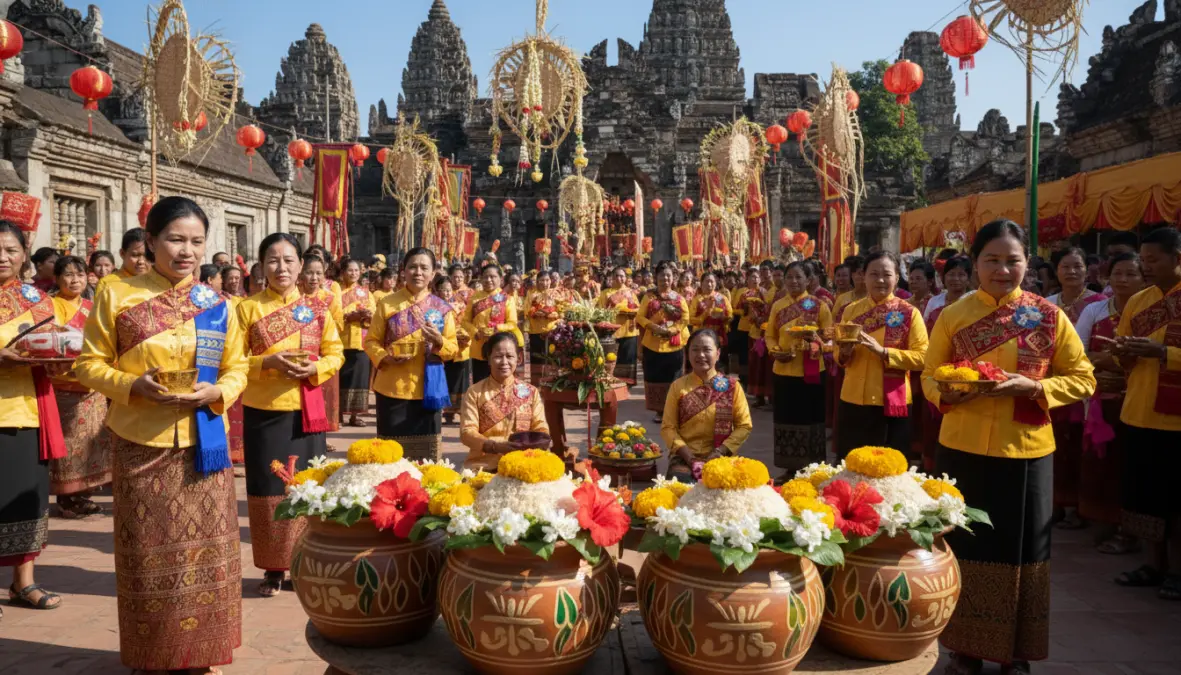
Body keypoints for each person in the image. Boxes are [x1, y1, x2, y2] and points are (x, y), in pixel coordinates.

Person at [75, 196, 248, 673]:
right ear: (150, 242)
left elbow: (238, 369)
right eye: (175, 239)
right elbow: (88, 364)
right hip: (140, 445)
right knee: (148, 558)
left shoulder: (218, 304)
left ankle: (202, 655)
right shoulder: (115, 294)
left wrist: (217, 390)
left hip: (204, 447)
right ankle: (152, 655)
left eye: (196, 241)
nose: (186, 250)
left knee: (206, 560)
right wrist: (131, 385)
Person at [922, 219, 1095, 673]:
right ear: (974, 264)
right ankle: (965, 647)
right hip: (962, 447)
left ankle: (1017, 652)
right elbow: (928, 372)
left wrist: (1034, 390)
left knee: (1025, 554)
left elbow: (1083, 378)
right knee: (966, 548)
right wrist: (944, 393)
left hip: (1027, 450)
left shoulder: (1048, 316)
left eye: (1012, 260)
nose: (1002, 270)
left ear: (1028, 264)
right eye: (991, 260)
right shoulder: (953, 316)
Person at [237, 233, 343, 597]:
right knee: (268, 490)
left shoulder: (318, 309)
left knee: (307, 488)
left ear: (301, 265)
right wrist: (265, 363)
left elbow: (336, 352)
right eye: (272, 260)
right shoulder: (247, 309)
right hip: (264, 411)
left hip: (306, 412)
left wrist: (314, 370)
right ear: (262, 265)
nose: (281, 268)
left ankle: (304, 561)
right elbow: (231, 361)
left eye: (288, 260)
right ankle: (272, 567)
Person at [1112, 226, 1181, 601]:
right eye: (1144, 260)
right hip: (1139, 412)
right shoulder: (1139, 302)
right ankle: (1152, 564)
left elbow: (1158, 353)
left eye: (1154, 260)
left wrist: (1164, 354)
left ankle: (1177, 571)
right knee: (1145, 498)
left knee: (1177, 503)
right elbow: (1123, 354)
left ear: (1177, 258)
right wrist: (1123, 351)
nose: (1147, 267)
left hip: (1176, 421)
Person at [0, 222, 65, 619]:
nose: (1, 257)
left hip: (24, 409)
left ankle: (23, 581)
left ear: (25, 253)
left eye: (9, 249)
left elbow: (54, 351)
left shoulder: (37, 301)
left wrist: (56, 360)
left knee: (26, 499)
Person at [1074, 251, 1143, 555]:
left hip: (1139, 396)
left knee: (1131, 465)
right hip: (1101, 397)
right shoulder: (1096, 311)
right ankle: (1105, 522)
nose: (1124, 280)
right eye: (1118, 274)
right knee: (1102, 462)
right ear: (1107, 278)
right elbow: (1077, 353)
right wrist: (1106, 368)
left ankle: (1132, 531)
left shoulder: (1149, 309)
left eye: (1131, 274)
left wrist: (1117, 367)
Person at [366, 247, 458, 461]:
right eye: (413, 267)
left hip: (429, 390)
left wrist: (439, 341)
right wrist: (385, 357)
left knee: (426, 458)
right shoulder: (387, 303)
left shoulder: (441, 307)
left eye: (424, 268)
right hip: (392, 388)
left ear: (433, 273)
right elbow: (371, 341)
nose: (418, 272)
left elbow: (452, 348)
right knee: (391, 457)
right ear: (403, 271)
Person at [835, 251, 929, 457]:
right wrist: (843, 353)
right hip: (853, 399)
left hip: (892, 404)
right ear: (863, 276)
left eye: (887, 274)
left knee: (888, 473)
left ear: (897, 277)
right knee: (851, 467)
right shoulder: (850, 311)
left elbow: (923, 358)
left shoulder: (909, 313)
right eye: (873, 274)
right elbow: (838, 354)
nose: (880, 280)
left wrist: (884, 352)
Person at [1043, 247, 1106, 530]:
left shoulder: (1098, 302)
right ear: (1056, 271)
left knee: (1081, 445)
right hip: (1051, 384)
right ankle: (1056, 503)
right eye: (1065, 266)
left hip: (1083, 385)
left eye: (1077, 266)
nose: (1071, 272)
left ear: (1087, 270)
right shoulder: (1047, 303)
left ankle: (1081, 506)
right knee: (1058, 444)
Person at [48, 255, 112, 519]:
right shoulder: (50, 305)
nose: (75, 280)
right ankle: (67, 497)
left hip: (91, 386)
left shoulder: (92, 305)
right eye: (68, 274)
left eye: (80, 274)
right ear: (57, 279)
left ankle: (83, 494)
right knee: (68, 445)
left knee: (92, 442)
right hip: (64, 386)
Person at [765, 260, 833, 477]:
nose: (793, 281)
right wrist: (775, 351)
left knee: (811, 418)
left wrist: (815, 339)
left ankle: (813, 467)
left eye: (798, 277)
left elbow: (829, 338)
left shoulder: (819, 305)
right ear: (784, 280)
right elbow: (770, 335)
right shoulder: (777, 305)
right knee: (786, 419)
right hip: (783, 371)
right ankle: (790, 466)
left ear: (808, 280)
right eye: (789, 277)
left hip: (811, 371)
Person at [660, 329, 753, 476]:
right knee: (681, 484)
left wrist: (720, 451)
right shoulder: (678, 386)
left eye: (707, 350)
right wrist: (690, 458)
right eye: (695, 350)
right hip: (685, 457)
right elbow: (668, 428)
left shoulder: (732, 387)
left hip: (722, 456)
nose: (700, 355)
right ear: (688, 353)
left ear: (717, 353)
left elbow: (744, 426)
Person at [459, 331, 549, 471]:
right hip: (484, 465)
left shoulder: (531, 392)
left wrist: (534, 444)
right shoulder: (474, 392)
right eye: (498, 356)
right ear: (488, 359)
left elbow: (541, 428)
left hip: (524, 464)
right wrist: (494, 446)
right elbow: (467, 432)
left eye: (510, 356)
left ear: (518, 359)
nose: (504, 362)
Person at [919, 255, 972, 471]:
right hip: (936, 365)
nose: (955, 279)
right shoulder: (935, 302)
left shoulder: (973, 301)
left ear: (969, 278)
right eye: (951, 274)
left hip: (964, 370)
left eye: (961, 274)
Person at [637, 261, 690, 423]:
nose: (665, 279)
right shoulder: (649, 296)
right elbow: (640, 316)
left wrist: (673, 330)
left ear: (673, 278)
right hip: (652, 343)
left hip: (674, 343)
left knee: (674, 377)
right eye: (662, 276)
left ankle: (674, 411)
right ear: (656, 278)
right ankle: (659, 411)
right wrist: (653, 326)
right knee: (654, 377)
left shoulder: (679, 298)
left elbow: (685, 318)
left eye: (668, 276)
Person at [299, 253, 344, 432]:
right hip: (300, 354)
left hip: (323, 353)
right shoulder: (295, 297)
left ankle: (324, 429)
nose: (314, 278)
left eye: (319, 273)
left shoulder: (329, 297)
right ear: (301, 273)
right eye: (310, 272)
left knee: (325, 396)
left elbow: (338, 323)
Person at [462, 264, 522, 384]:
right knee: (480, 382)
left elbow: (512, 323)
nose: (488, 280)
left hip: (500, 347)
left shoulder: (507, 299)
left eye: (493, 276)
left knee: (500, 381)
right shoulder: (474, 298)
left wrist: (496, 329)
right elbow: (465, 321)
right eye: (485, 277)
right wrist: (476, 332)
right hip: (478, 347)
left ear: (501, 279)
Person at [337, 256, 374, 426]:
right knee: (341, 379)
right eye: (350, 270)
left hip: (361, 341)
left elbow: (374, 315)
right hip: (341, 341)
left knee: (359, 379)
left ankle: (355, 414)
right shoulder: (336, 291)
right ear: (343, 272)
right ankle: (338, 415)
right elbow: (332, 314)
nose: (353, 273)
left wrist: (366, 315)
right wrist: (347, 316)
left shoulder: (366, 293)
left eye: (356, 270)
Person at [435, 276, 471, 424]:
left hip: (461, 347)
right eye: (443, 290)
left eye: (449, 290)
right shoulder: (435, 307)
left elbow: (466, 322)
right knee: (447, 378)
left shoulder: (460, 305)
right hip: (443, 346)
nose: (447, 293)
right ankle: (447, 412)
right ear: (438, 291)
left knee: (461, 380)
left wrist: (463, 334)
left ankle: (462, 411)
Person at [597, 266, 641, 384]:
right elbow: (601, 310)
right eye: (616, 275)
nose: (619, 278)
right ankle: (611, 380)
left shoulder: (630, 293)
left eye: (622, 276)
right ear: (612, 277)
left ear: (625, 278)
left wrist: (631, 312)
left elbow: (638, 309)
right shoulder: (605, 293)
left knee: (628, 357)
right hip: (611, 330)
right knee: (611, 357)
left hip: (628, 329)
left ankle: (628, 382)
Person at [526, 270, 567, 385]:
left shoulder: (556, 293)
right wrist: (535, 312)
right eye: (542, 280)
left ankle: (553, 382)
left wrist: (555, 314)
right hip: (536, 331)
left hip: (552, 330)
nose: (545, 283)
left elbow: (563, 310)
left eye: (547, 280)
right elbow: (526, 310)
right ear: (537, 282)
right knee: (537, 358)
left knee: (552, 357)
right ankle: (536, 383)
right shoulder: (531, 294)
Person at [95, 227, 150, 296]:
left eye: (147, 255)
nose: (141, 261)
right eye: (135, 255)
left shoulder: (159, 282)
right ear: (122, 254)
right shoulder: (107, 284)